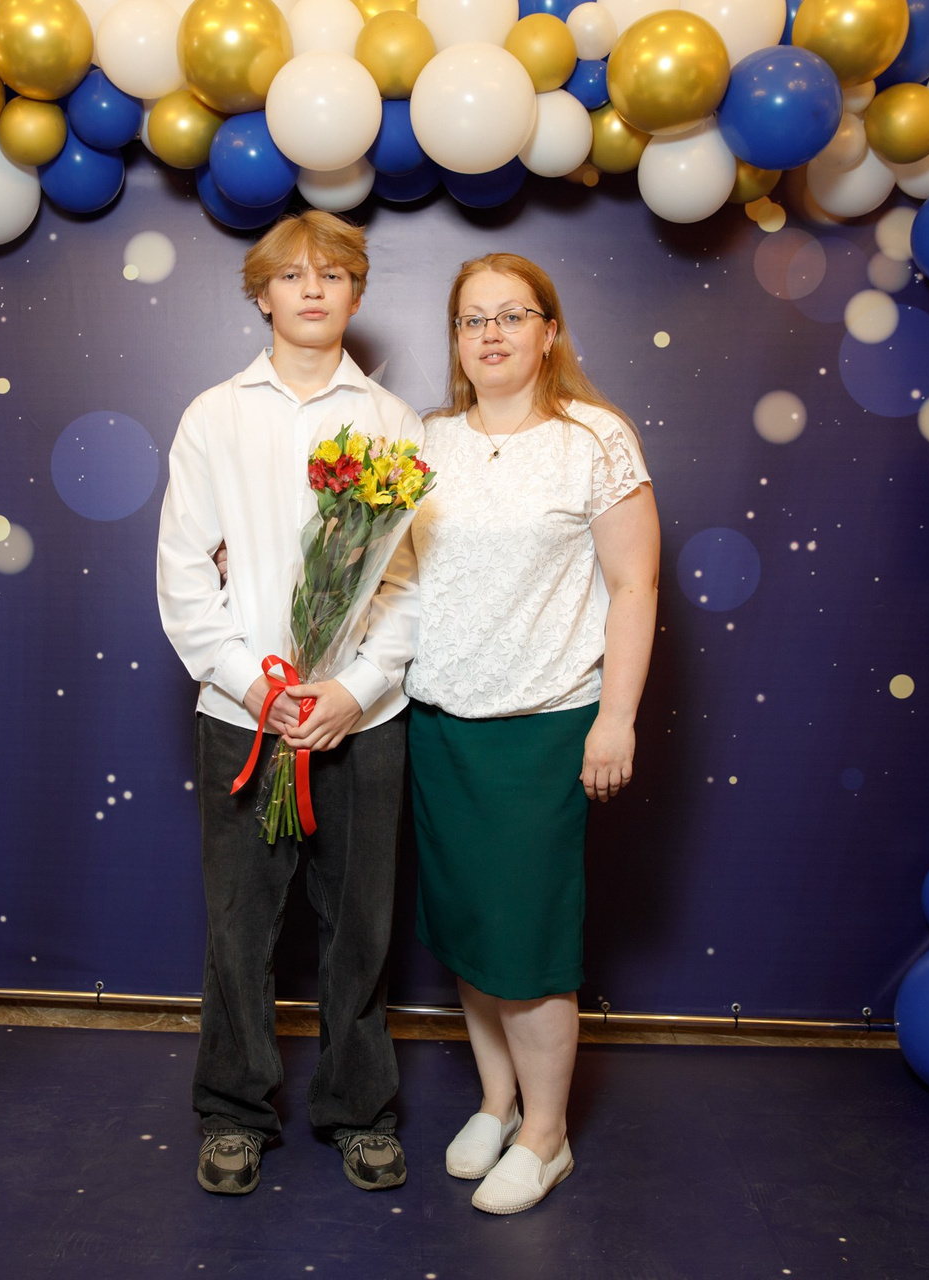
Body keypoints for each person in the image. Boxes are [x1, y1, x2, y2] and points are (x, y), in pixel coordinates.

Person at [155, 211, 422, 1197]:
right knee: (238, 926)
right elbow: (185, 574)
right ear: (262, 294)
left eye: (334, 273)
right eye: (293, 274)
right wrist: (254, 685)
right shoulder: (213, 416)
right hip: (244, 714)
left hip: (363, 721)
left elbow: (412, 583)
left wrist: (355, 688)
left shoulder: (394, 422)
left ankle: (359, 1108)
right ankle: (234, 1110)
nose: (313, 288)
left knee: (360, 928)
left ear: (356, 292)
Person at [404, 253, 660, 1215]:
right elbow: (385, 572)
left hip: (543, 727)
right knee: (472, 933)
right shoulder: (425, 440)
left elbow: (634, 586)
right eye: (474, 319)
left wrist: (615, 718)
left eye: (514, 315)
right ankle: (497, 1102)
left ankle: (547, 1137)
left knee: (530, 946)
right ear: (456, 339)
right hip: (440, 726)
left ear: (550, 331)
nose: (493, 334)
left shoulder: (594, 438)